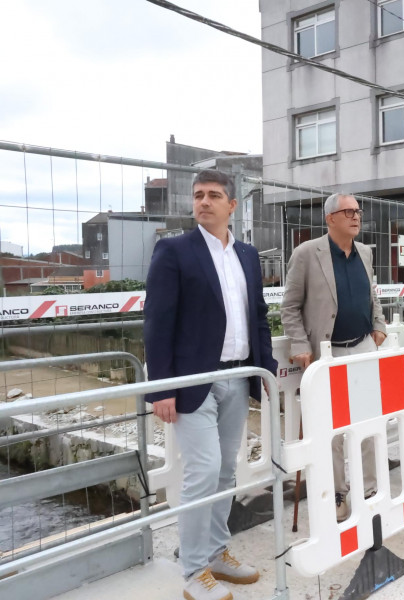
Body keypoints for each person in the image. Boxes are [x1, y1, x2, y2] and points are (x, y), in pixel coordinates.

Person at [144, 170, 278, 600]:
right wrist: (160, 388)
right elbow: (158, 323)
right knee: (201, 471)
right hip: (193, 381)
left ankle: (218, 552)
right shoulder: (174, 251)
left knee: (225, 469)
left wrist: (266, 370)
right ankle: (193, 570)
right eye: (198, 195)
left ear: (232, 206)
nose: (204, 202)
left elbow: (257, 316)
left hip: (238, 377)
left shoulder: (248, 255)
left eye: (214, 195)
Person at [280, 193, 387, 523]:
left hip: (364, 347)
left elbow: (372, 294)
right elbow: (290, 307)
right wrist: (300, 344)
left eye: (358, 211)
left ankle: (370, 491)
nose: (356, 217)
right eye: (348, 212)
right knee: (334, 430)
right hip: (328, 353)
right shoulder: (307, 254)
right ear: (330, 219)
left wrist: (379, 324)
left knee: (370, 422)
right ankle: (338, 494)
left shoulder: (365, 252)